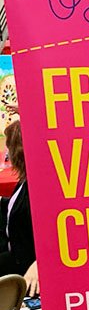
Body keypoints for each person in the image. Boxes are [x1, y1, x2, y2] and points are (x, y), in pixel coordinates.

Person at [0, 120, 39, 296]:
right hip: (16, 257)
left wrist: (40, 262)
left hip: (24, 266)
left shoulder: (36, 189)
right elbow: (13, 206)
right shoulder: (25, 182)